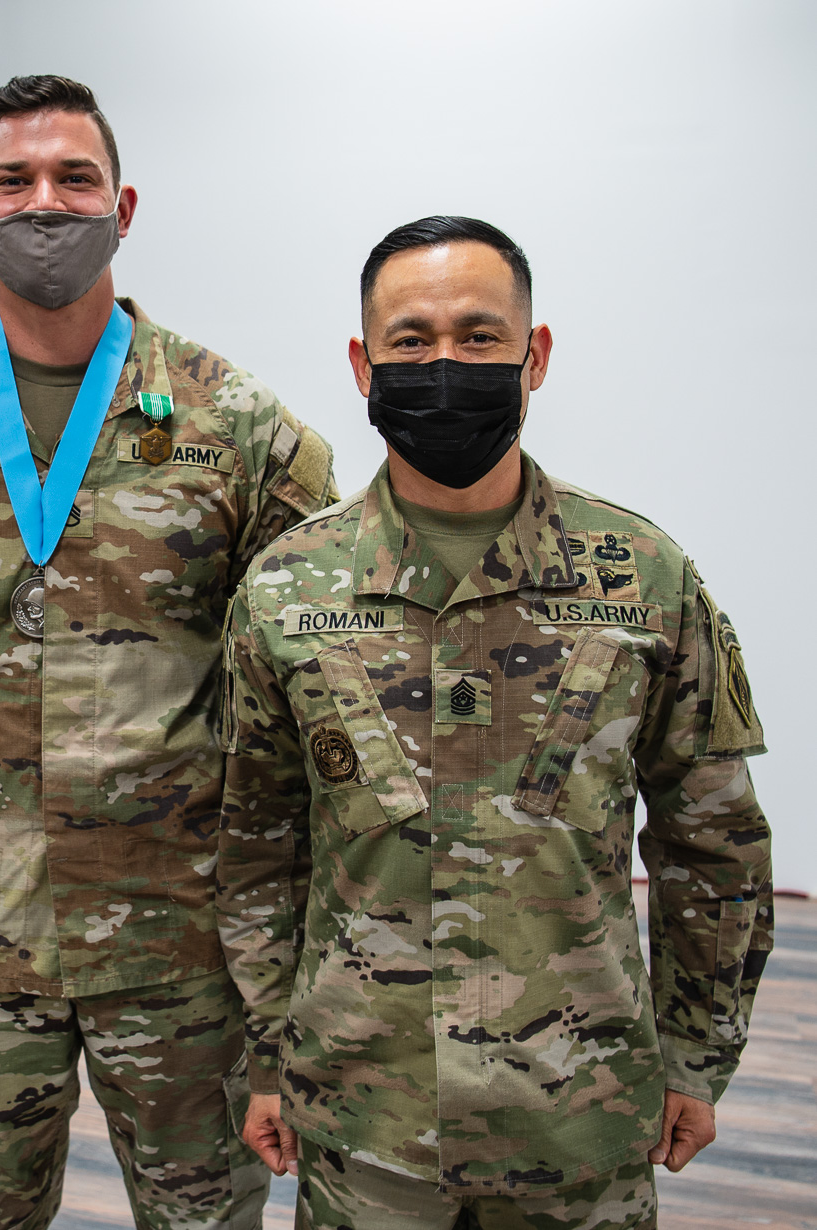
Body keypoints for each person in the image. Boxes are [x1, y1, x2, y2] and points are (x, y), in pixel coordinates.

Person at [0, 75, 339, 1230]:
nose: (44, 205)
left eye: (74, 179)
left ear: (125, 206)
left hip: (183, 932)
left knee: (204, 1216)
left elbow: (298, 666)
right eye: (15, 181)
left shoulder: (241, 431)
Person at [216, 215, 774, 1230]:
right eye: (412, 340)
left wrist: (697, 1056)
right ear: (362, 362)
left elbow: (717, 844)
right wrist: (270, 1058)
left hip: (580, 1121)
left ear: (536, 355)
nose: (445, 365)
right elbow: (256, 848)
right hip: (363, 1123)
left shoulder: (644, 578)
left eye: (479, 338)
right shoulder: (285, 590)